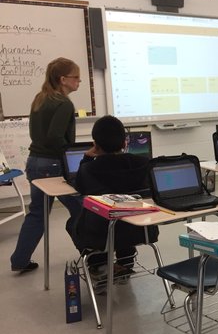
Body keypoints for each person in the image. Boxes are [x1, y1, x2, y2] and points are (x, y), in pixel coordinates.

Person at [10, 57, 84, 274]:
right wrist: (71, 155)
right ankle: (95, 256)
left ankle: (20, 260)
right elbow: (55, 137)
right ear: (63, 79)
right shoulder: (64, 103)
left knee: (37, 213)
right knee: (83, 210)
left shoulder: (40, 98)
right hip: (53, 165)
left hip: (35, 162)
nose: (79, 82)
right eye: (76, 78)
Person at [73, 115, 158, 275]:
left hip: (102, 234)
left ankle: (99, 264)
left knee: (73, 223)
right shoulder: (144, 163)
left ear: (96, 145)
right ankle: (126, 262)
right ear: (124, 142)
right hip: (142, 229)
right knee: (124, 216)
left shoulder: (89, 169)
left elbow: (79, 187)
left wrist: (86, 159)